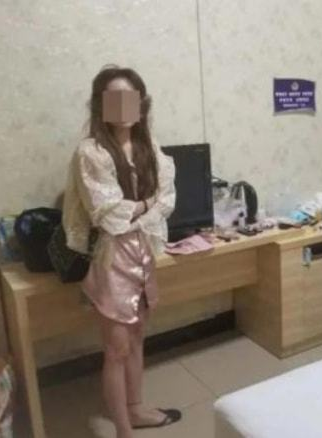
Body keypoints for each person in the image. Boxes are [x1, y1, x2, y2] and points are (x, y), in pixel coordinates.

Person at [62, 65, 179, 438]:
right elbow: (108, 214)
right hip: (111, 258)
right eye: (115, 99)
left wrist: (143, 208)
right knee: (116, 348)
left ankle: (136, 409)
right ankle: (124, 431)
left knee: (138, 335)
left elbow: (168, 200)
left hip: (143, 253)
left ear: (142, 104)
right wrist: (146, 205)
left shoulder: (150, 147)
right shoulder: (91, 152)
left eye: (131, 98)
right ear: (101, 105)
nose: (125, 107)